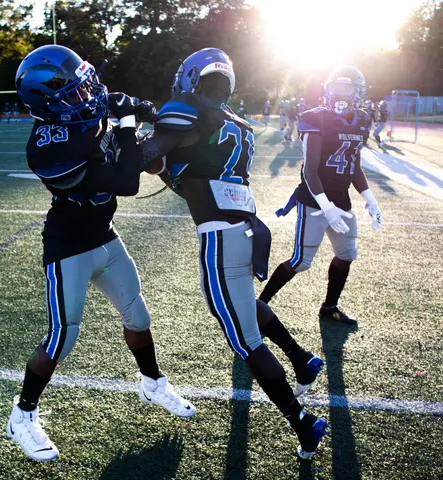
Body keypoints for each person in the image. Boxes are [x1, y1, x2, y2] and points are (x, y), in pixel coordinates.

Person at [7, 44, 195, 462]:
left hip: (105, 236)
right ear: (50, 104)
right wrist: (127, 125)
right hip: (69, 247)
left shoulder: (81, 110)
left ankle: (152, 383)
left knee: (138, 316)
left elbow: (122, 106)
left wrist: (147, 109)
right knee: (63, 335)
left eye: (84, 86)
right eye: (74, 93)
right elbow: (126, 181)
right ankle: (22, 415)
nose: (86, 96)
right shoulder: (47, 146)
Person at [139, 48, 328, 460]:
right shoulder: (236, 121)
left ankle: (303, 423)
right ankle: (301, 359)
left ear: (192, 78)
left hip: (221, 236)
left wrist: (125, 135)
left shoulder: (187, 106)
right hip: (246, 228)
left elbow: (146, 158)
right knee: (244, 304)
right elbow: (186, 172)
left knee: (244, 340)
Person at [259, 66, 383, 325]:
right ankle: (259, 306)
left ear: (358, 92)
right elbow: (309, 168)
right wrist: (326, 206)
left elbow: (354, 166)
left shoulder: (360, 119)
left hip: (341, 199)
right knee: (301, 261)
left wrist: (370, 199)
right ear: (328, 90)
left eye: (347, 88)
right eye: (336, 87)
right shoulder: (316, 117)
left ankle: (330, 307)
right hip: (314, 200)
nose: (341, 94)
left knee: (347, 254)